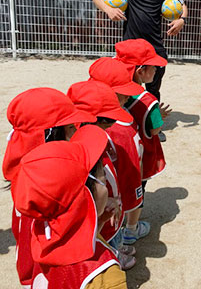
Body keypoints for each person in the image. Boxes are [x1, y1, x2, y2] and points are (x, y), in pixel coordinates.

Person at [11, 125, 127, 289]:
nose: (107, 185)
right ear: (85, 194)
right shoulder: (105, 275)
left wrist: (98, 221)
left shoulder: (43, 234)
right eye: (102, 177)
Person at [2, 88, 96, 287]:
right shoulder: (43, 185)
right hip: (46, 268)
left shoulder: (27, 169)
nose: (75, 131)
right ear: (50, 134)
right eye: (70, 126)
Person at [92, 0, 188, 106]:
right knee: (126, 87)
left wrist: (182, 20)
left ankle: (152, 124)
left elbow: (183, 6)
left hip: (154, 48)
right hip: (130, 48)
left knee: (153, 89)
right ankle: (128, 123)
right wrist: (108, 9)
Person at [67, 80, 137, 270]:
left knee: (112, 232)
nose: (112, 126)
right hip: (97, 214)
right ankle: (112, 257)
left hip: (108, 208)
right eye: (109, 121)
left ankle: (115, 249)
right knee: (102, 239)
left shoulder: (94, 138)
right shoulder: (80, 148)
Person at [115, 38, 171, 245]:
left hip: (117, 154)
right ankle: (131, 229)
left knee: (118, 188)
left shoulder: (112, 92)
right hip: (139, 158)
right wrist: (159, 117)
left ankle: (116, 224)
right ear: (140, 70)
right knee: (137, 192)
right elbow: (154, 129)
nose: (156, 71)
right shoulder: (147, 100)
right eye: (154, 67)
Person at [89, 57, 145, 253]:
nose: (128, 97)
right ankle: (116, 254)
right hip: (109, 196)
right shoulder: (115, 128)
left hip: (103, 196)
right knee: (109, 229)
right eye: (123, 93)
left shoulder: (88, 120)